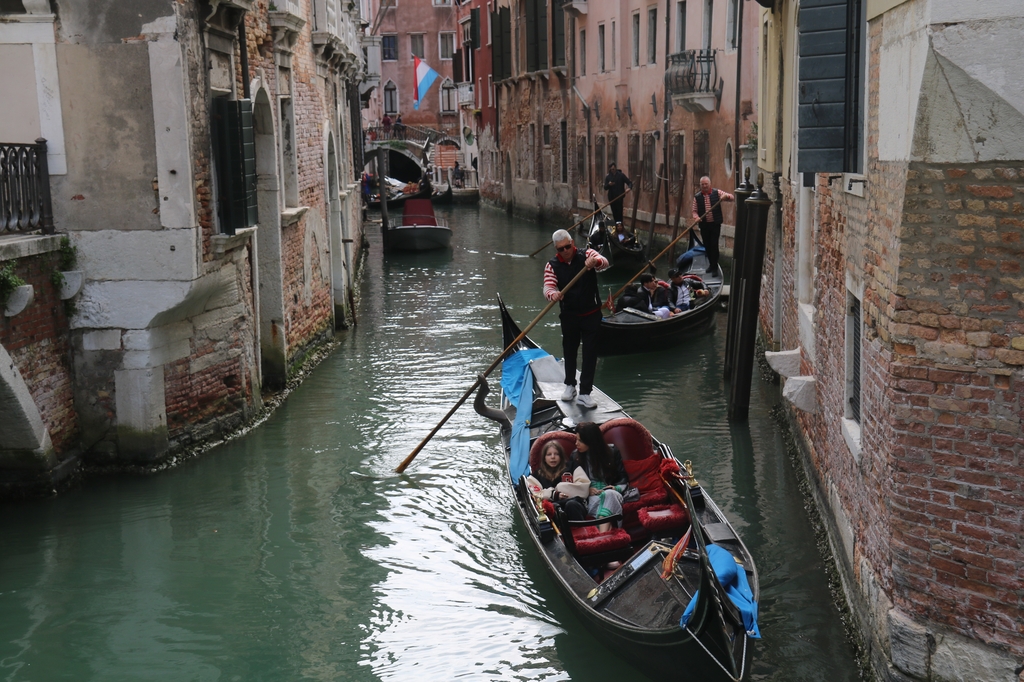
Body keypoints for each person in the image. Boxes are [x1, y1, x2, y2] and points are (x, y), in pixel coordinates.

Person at [543, 229, 610, 409]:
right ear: (556, 249)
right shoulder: (552, 265)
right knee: (570, 351)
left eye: (567, 246)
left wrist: (595, 261)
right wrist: (553, 294)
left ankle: (585, 393)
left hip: (591, 315)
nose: (565, 250)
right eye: (560, 249)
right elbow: (548, 287)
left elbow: (604, 263)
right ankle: (570, 385)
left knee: (589, 353)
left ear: (572, 243)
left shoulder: (587, 254)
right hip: (569, 315)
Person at [568, 422, 628, 530]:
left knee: (610, 494)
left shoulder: (612, 452)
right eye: (576, 439)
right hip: (591, 499)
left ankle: (602, 537)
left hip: (613, 493)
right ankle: (605, 536)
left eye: (580, 441)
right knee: (609, 500)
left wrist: (616, 487)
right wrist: (586, 490)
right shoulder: (575, 456)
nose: (576, 443)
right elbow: (572, 483)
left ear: (591, 441)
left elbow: (623, 477)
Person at [691, 176, 735, 275]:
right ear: (700, 185)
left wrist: (726, 197)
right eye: (702, 184)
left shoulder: (717, 192)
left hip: (715, 224)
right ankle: (711, 264)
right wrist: (696, 217)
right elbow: (694, 211)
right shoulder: (697, 197)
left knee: (714, 245)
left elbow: (731, 197)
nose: (704, 186)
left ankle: (714, 267)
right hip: (704, 225)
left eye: (706, 184)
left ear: (709, 184)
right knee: (707, 245)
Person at [525, 441, 590, 507]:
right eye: (549, 454)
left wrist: (561, 488)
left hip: (574, 504)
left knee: (571, 504)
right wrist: (553, 494)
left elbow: (584, 487)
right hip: (552, 509)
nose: (553, 457)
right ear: (544, 458)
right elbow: (534, 494)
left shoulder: (572, 466)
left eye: (556, 454)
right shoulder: (537, 475)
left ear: (561, 456)